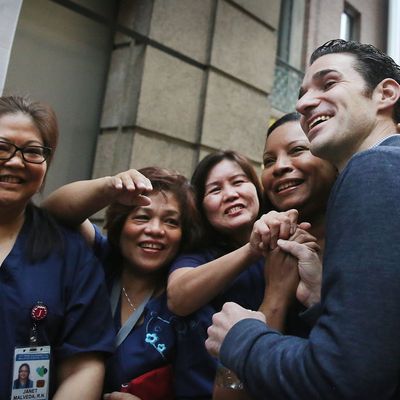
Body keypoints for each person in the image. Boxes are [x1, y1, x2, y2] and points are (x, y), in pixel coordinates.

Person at [206, 39, 400, 399]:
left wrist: (241, 337)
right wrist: (321, 296)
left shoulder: (375, 168)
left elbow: (345, 379)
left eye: (328, 84)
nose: (304, 103)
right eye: (303, 92)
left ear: (384, 94)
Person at [42, 166, 216, 399]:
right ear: (121, 224)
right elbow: (51, 213)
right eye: (142, 217)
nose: (155, 230)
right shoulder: (98, 261)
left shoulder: (188, 307)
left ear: (184, 235)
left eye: (171, 222)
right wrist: (108, 187)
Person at [0, 95, 115, 399]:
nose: (15, 161)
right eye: (2, 147)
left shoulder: (70, 255)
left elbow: (84, 367)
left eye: (33, 152)